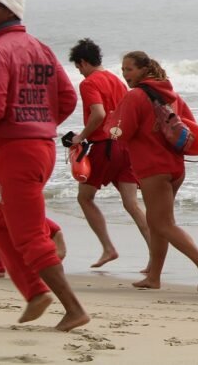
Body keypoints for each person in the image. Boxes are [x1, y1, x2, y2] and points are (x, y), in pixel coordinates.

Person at [0, 0, 89, 331]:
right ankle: (36, 292)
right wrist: (40, 122)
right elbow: (67, 98)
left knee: (26, 235)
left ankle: (73, 308)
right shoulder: (40, 48)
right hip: (40, 147)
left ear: (8, 10)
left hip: (15, 151)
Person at [108, 51, 198, 291]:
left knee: (162, 223)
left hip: (153, 167)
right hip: (175, 167)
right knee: (159, 222)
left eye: (130, 69)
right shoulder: (172, 95)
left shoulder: (135, 96)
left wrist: (108, 126)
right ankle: (154, 277)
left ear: (144, 70)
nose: (125, 75)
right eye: (123, 70)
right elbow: (190, 126)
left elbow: (120, 134)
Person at [68, 39, 151, 269]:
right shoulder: (117, 79)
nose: (80, 73)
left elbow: (98, 113)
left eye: (78, 67)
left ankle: (108, 248)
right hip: (125, 145)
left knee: (84, 197)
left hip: (105, 146)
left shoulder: (89, 83)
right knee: (132, 204)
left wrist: (81, 136)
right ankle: (156, 254)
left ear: (83, 62)